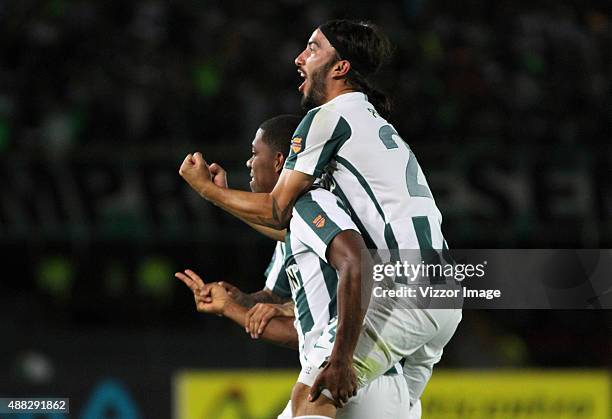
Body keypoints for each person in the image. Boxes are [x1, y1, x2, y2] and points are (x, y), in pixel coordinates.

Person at [178, 19, 461, 418]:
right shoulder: (374, 124)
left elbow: (280, 209)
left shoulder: (326, 118)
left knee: (314, 396)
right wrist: (225, 200)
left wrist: (208, 191)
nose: (299, 58)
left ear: (340, 67)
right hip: (443, 291)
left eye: (312, 48)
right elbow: (292, 222)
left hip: (402, 290)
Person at [177, 114, 410, 419]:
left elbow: (353, 263)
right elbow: (292, 314)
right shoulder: (297, 229)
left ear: (279, 161)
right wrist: (234, 304)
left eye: (254, 153)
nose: (249, 162)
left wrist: (212, 193)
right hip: (360, 377)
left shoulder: (313, 206)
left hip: (351, 375)